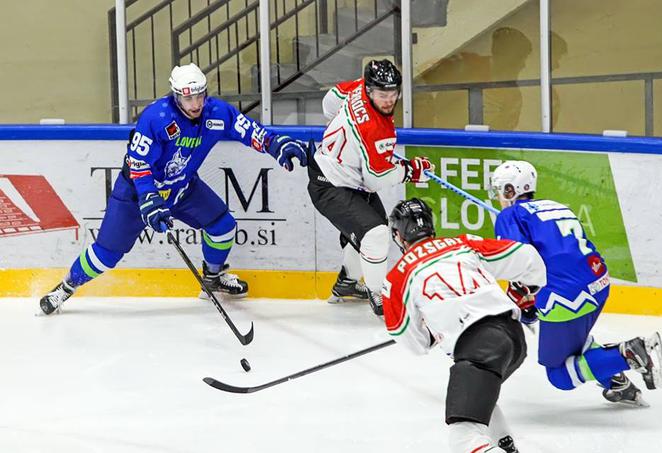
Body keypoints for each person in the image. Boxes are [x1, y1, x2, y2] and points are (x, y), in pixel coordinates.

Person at [40, 63, 308, 315]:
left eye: (200, 96)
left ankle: (213, 278)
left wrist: (275, 145)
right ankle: (66, 288)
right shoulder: (156, 118)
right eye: (188, 98)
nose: (196, 104)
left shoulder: (217, 113)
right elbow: (139, 164)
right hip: (136, 194)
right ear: (176, 96)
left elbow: (249, 131)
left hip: (183, 189)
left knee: (222, 225)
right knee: (107, 254)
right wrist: (148, 197)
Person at [489, 160, 662, 406]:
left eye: (500, 189)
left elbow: (517, 260)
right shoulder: (556, 206)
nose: (498, 195)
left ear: (510, 190)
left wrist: (525, 308)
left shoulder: (510, 215)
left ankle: (630, 353)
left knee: (559, 374)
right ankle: (616, 382)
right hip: (598, 284)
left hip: (565, 298)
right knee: (576, 348)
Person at [382, 198, 546, 453]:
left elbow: (410, 339)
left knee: (463, 437)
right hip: (513, 338)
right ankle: (505, 445)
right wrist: (527, 287)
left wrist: (430, 335)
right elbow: (527, 257)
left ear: (399, 235)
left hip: (479, 346)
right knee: (480, 396)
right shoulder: (463, 243)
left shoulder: (397, 277)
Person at [310, 59, 433, 315]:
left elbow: (330, 101)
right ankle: (380, 295)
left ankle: (347, 283)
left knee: (370, 237)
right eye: (382, 95)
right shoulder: (376, 130)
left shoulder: (357, 87)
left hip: (347, 177)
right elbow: (375, 180)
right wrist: (411, 171)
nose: (388, 100)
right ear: (369, 91)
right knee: (375, 234)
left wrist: (342, 136)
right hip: (330, 183)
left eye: (392, 93)